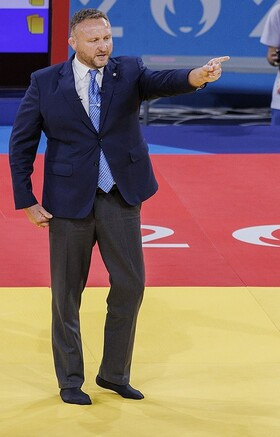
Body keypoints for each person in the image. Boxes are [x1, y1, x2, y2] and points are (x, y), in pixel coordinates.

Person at [9, 8, 229, 405]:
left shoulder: (128, 70)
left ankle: (113, 374)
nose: (103, 46)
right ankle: (70, 381)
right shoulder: (44, 82)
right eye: (94, 40)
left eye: (107, 38)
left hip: (118, 195)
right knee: (66, 294)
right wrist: (25, 198)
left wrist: (198, 75)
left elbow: (164, 82)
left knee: (130, 284)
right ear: (73, 42)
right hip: (67, 202)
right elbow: (22, 142)